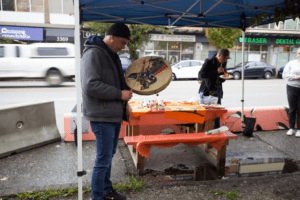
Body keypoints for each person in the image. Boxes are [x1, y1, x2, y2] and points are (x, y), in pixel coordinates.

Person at [81, 23, 133, 200]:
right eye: (122, 42)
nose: (123, 46)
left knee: (108, 156)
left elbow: (117, 81)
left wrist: (130, 88)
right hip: (101, 115)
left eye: (126, 43)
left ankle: (106, 190)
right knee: (103, 159)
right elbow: (90, 85)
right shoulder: (93, 53)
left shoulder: (112, 54)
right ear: (111, 38)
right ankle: (97, 196)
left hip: (112, 114)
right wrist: (119, 94)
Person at [198, 49, 230, 129]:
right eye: (223, 59)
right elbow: (201, 75)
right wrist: (216, 71)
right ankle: (201, 132)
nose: (224, 61)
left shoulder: (224, 62)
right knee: (204, 112)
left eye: (226, 59)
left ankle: (217, 132)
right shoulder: (209, 61)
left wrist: (224, 76)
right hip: (207, 90)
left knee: (217, 113)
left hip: (217, 89)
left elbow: (221, 79)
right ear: (219, 56)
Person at [282, 47, 300, 137]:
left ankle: (299, 129)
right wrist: (296, 77)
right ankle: (291, 128)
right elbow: (284, 75)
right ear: (296, 53)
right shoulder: (291, 63)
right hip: (291, 87)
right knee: (292, 109)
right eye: (299, 52)